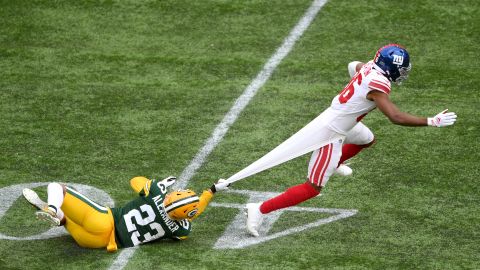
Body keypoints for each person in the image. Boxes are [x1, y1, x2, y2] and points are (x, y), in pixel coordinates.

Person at [245, 44, 457, 237]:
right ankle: (260, 209)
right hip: (331, 132)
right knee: (313, 188)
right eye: (401, 69)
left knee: (367, 139)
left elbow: (352, 65)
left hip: (345, 120)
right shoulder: (378, 86)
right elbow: (396, 117)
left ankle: (336, 163)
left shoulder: (369, 68)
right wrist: (432, 121)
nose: (402, 74)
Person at [23, 176, 229, 251]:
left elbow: (135, 180)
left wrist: (158, 184)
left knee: (58, 187)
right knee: (67, 220)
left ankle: (51, 207)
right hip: (97, 244)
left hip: (103, 221)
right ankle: (59, 218)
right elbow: (193, 213)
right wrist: (210, 192)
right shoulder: (180, 230)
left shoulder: (156, 193)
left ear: (170, 197)